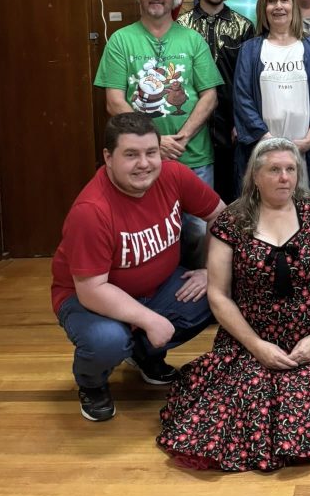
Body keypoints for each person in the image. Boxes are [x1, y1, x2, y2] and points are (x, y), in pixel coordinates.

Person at [156, 137, 310, 472]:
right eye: (274, 170)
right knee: (232, 410)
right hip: (251, 338)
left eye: (290, 169)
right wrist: (257, 346)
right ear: (255, 176)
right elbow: (218, 294)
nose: (285, 177)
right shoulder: (232, 221)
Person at [51, 112, 225, 422]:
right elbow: (91, 290)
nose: (144, 164)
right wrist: (150, 319)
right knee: (107, 341)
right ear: (109, 157)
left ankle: (144, 354)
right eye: (131, 154)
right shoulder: (91, 210)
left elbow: (220, 215)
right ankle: (92, 383)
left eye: (151, 152)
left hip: (158, 287)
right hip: (88, 299)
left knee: (222, 289)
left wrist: (210, 270)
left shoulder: (174, 175)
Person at [94, 0, 223, 266]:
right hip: (140, 158)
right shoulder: (120, 41)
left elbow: (209, 96)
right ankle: (158, 283)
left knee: (196, 229)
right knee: (148, 229)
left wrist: (182, 136)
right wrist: (156, 143)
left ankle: (199, 283)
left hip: (193, 155)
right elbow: (114, 101)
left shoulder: (192, 39)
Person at [233, 0, 310, 207]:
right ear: (264, 8)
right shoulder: (250, 49)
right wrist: (269, 142)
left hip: (308, 149)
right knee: (264, 208)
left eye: (284, 0)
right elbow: (242, 99)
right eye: (272, 1)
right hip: (263, 146)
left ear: (294, 6)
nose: (278, 6)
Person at [178, 0, 255, 204]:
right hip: (191, 120)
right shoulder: (181, 26)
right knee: (195, 195)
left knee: (232, 190)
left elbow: (249, 81)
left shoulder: (244, 27)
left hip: (230, 123)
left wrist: (241, 121)